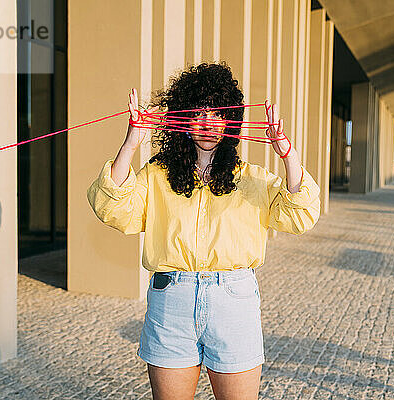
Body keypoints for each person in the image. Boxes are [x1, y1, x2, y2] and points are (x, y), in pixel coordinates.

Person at [87, 62, 321, 400]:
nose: (208, 125)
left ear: (231, 121)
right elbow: (113, 208)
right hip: (172, 301)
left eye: (218, 114)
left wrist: (288, 156)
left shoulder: (252, 178)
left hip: (233, 302)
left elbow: (300, 216)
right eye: (198, 114)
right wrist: (131, 144)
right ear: (182, 120)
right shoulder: (156, 176)